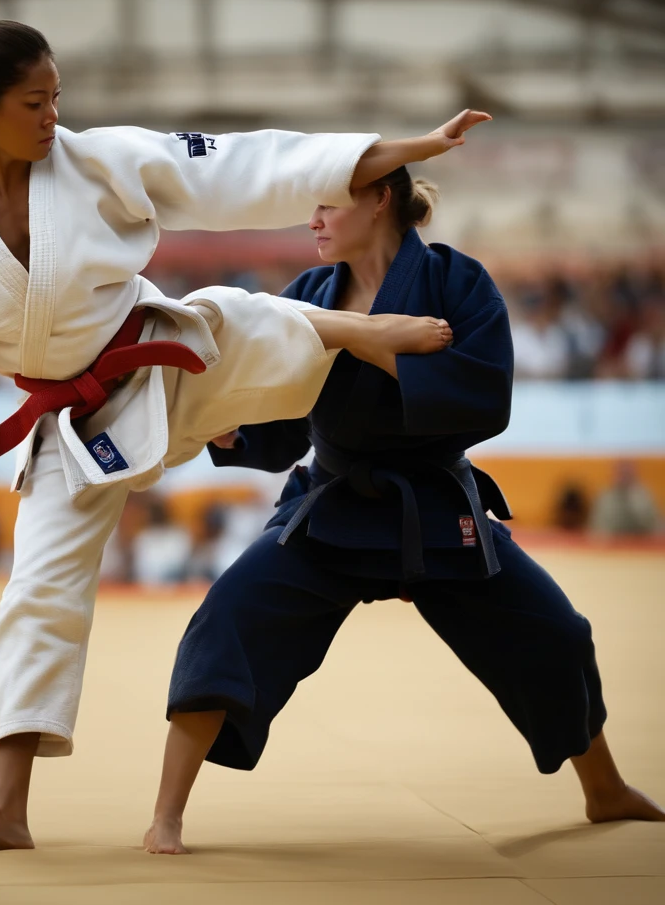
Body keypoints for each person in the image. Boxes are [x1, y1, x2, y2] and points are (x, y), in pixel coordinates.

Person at [0, 0, 488, 855]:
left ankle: (352, 330)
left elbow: (244, 166)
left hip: (158, 361)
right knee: (35, 593)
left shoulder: (102, 161)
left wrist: (402, 151)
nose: (55, 117)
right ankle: (5, 810)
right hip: (72, 419)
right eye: (35, 103)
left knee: (235, 314)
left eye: (57, 96)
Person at [144, 169, 665, 853]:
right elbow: (280, 419)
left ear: (380, 200)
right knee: (227, 618)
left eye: (328, 205)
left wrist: (374, 346)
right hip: (334, 509)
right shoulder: (309, 296)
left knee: (557, 633)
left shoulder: (458, 283)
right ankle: (166, 817)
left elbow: (487, 395)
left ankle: (603, 790)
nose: (316, 221)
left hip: (438, 506)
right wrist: (234, 427)